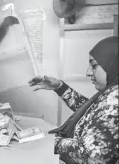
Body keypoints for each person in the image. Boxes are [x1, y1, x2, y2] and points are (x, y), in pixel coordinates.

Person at [28, 36, 118, 164]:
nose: (88, 72)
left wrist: (50, 142)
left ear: (112, 65)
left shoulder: (116, 101)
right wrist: (60, 87)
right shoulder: (111, 94)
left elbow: (93, 154)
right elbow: (91, 113)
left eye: (93, 66)